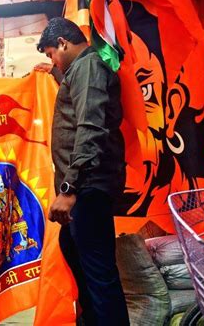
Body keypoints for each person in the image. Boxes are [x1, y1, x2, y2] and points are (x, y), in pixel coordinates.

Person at [37, 17, 129, 326]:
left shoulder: (88, 67)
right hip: (85, 186)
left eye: (51, 54)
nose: (53, 60)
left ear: (62, 43)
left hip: (88, 186)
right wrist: (52, 74)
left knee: (99, 275)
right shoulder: (78, 71)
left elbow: (90, 127)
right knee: (74, 250)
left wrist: (69, 190)